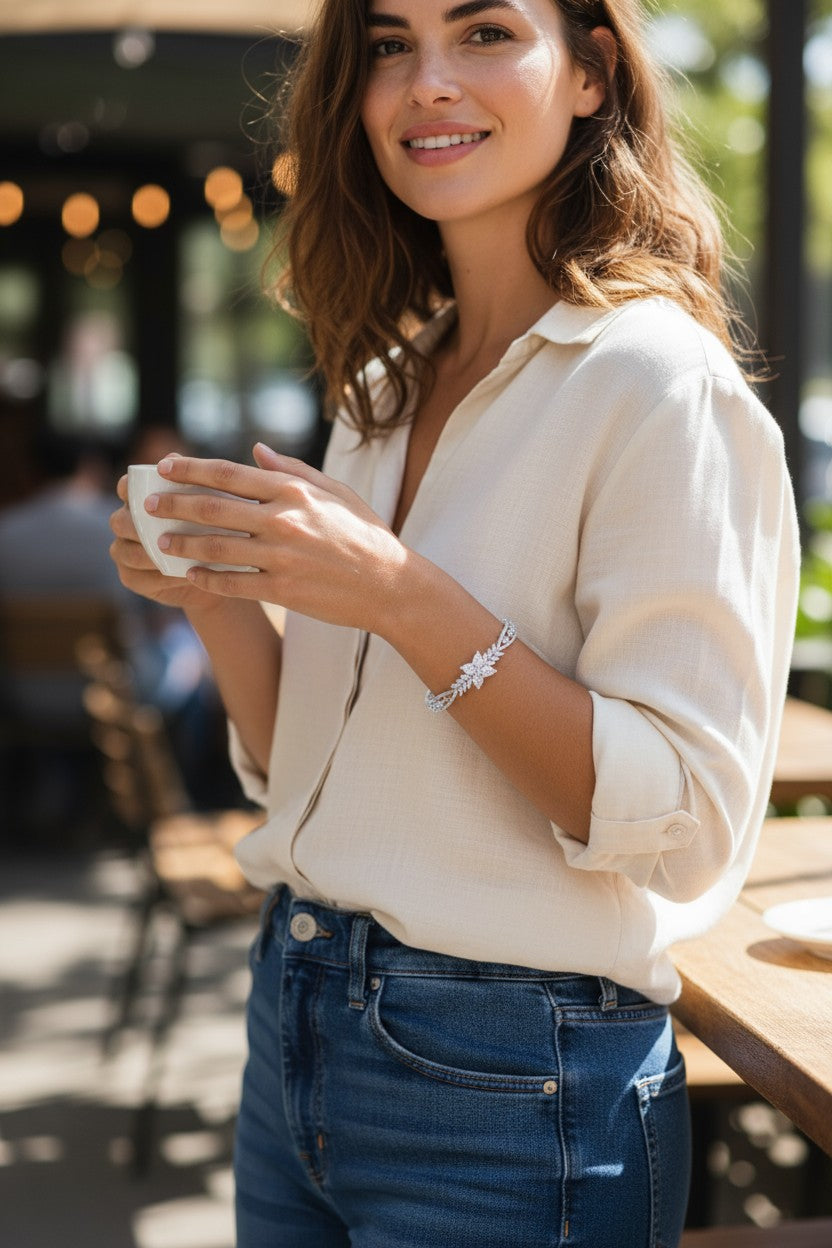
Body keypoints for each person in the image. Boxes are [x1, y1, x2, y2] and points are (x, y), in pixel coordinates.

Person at [110, 1, 800, 1243]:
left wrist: (399, 595)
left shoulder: (655, 385)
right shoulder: (383, 385)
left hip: (512, 1078)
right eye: (388, 45)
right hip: (295, 1011)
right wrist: (212, 592)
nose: (426, 81)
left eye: (482, 31)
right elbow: (303, 770)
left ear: (591, 72)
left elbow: (679, 822)